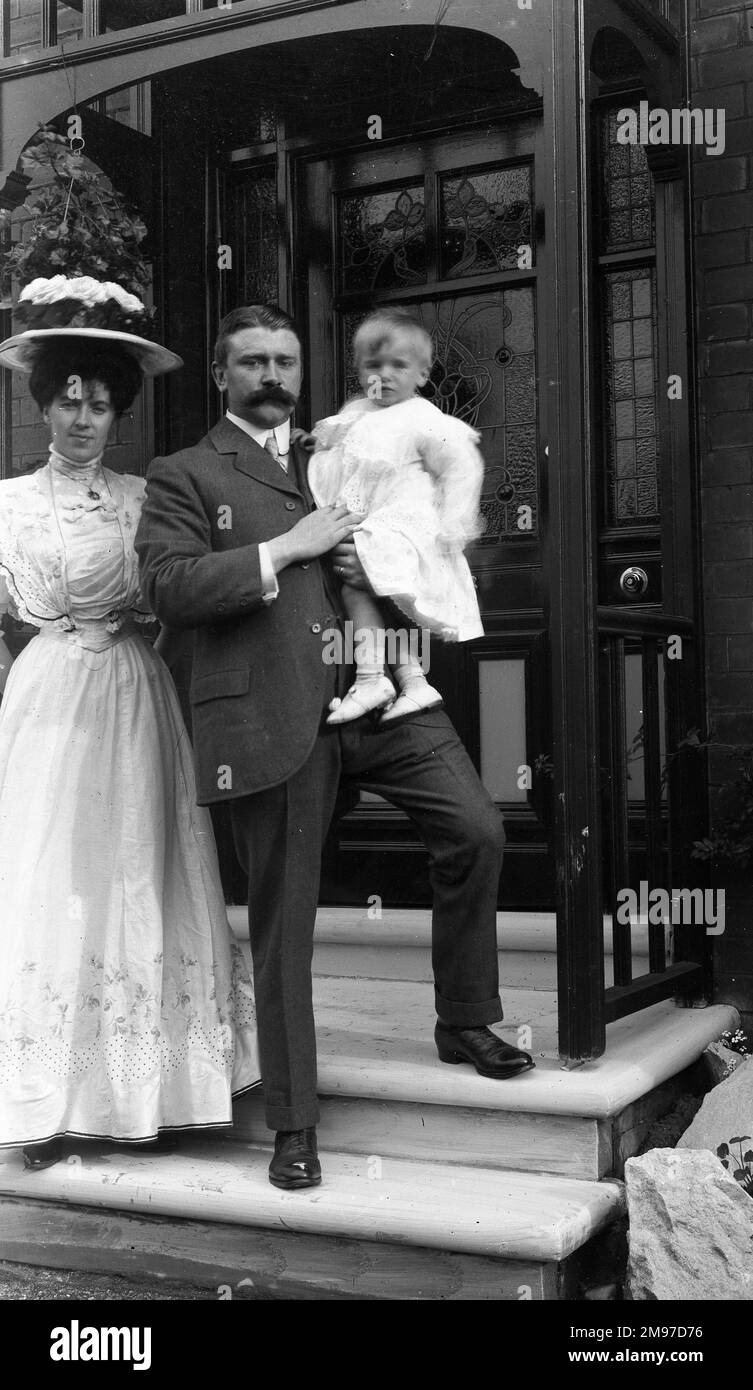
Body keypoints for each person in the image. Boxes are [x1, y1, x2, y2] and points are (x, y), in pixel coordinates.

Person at [135, 303, 534, 1194]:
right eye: (251, 363)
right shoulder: (186, 472)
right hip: (271, 716)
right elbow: (167, 587)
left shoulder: (343, 444)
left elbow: (430, 514)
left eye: (283, 360)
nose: (272, 375)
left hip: (381, 685)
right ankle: (292, 1124)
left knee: (476, 829)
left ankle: (465, 1018)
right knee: (287, 930)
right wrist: (287, 548)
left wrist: (375, 565)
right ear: (220, 372)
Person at [0, 291, 260, 1172]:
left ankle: (159, 1084)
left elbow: (185, 590)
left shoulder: (148, 498)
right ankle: (48, 1097)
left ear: (119, 412)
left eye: (99, 402)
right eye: (66, 399)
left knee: (137, 862)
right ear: (42, 406)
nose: (81, 417)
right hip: (47, 703)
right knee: (51, 871)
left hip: (135, 694)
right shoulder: (6, 505)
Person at [310, 308, 484, 725]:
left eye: (398, 366)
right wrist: (314, 442)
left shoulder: (423, 419)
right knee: (382, 597)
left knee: (362, 589)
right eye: (373, 365)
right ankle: (414, 682)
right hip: (374, 523)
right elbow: (333, 444)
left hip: (405, 525)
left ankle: (373, 678)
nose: (383, 376)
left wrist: (453, 527)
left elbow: (463, 467)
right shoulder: (357, 412)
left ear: (422, 374)